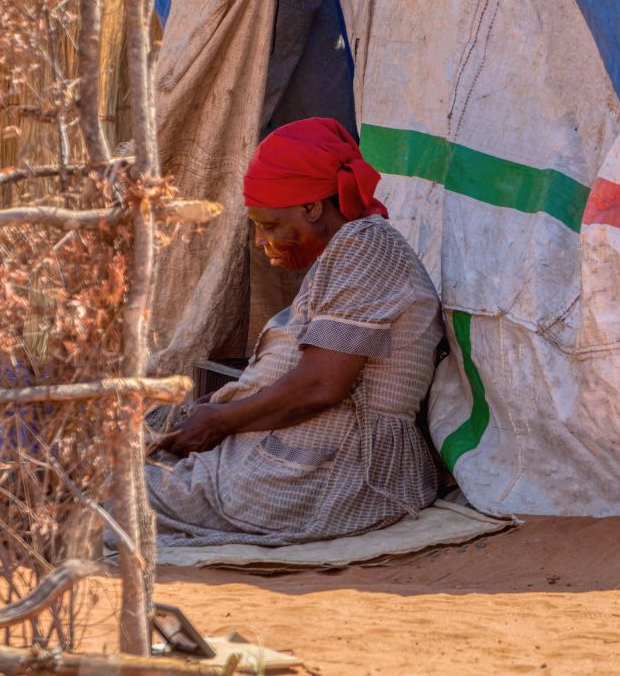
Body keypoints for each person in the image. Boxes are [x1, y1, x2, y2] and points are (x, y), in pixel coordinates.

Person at [147, 117, 443, 546]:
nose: (260, 240)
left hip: (332, 474)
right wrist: (220, 408)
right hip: (302, 460)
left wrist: (221, 421)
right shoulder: (346, 254)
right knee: (121, 460)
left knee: (105, 497)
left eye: (269, 225)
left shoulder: (367, 248)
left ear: (312, 208)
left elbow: (321, 386)